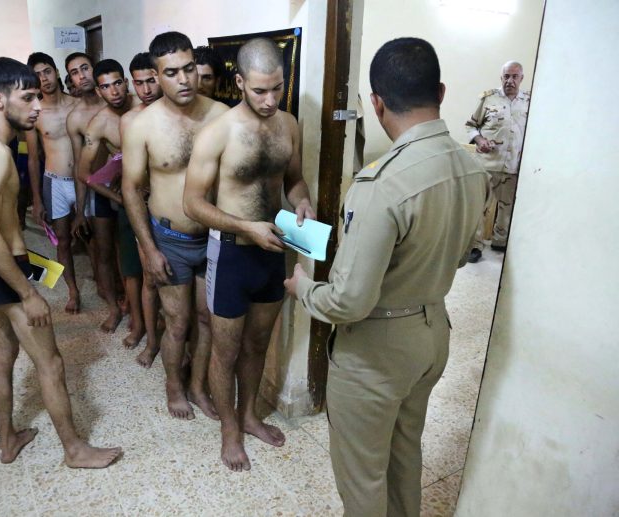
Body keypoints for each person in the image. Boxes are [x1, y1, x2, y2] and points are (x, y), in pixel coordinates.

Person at [284, 38, 488, 515]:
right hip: (433, 334)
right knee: (403, 455)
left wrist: (303, 288)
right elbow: (459, 257)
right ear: (440, 90)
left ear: (375, 103)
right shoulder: (471, 167)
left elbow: (349, 302)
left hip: (377, 349)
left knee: (362, 478)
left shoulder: (381, 183)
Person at [0, 56, 121, 468]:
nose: (36, 106)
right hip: (4, 267)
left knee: (4, 356)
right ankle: (75, 450)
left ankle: (8, 440)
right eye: (26, 97)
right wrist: (27, 292)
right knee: (51, 363)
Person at [184, 37, 314, 472]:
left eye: (277, 88)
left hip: (273, 251)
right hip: (233, 254)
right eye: (260, 90)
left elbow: (293, 179)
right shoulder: (218, 132)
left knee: (259, 343)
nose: (270, 99)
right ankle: (229, 431)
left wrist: (303, 202)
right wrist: (245, 226)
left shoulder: (289, 125)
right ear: (239, 82)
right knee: (226, 349)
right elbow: (193, 203)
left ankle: (250, 415)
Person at [122, 32, 228, 420]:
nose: (183, 80)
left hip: (214, 238)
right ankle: (173, 387)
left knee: (206, 321)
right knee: (178, 322)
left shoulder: (221, 116)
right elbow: (131, 189)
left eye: (188, 69)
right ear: (156, 75)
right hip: (170, 238)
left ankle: (198, 386)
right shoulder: (142, 125)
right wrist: (148, 249)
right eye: (172, 73)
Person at [74, 58, 140, 333]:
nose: (113, 91)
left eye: (117, 84)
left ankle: (142, 312)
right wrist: (116, 198)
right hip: (108, 188)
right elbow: (83, 172)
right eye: (106, 87)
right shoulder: (98, 124)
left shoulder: (142, 107)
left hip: (139, 189)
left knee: (137, 257)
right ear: (99, 92)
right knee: (103, 251)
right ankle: (115, 309)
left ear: (125, 83)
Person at [25, 52, 82, 314]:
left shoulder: (77, 104)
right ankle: (73, 290)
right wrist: (36, 199)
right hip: (55, 182)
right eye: (37, 75)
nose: (44, 78)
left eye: (47, 71)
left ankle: (108, 287)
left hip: (82, 181)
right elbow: (34, 159)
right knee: (62, 239)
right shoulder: (35, 114)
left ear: (57, 72)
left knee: (91, 236)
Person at [121, 52, 163, 366]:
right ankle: (150, 340)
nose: (146, 88)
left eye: (151, 80)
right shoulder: (131, 120)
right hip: (144, 205)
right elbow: (130, 175)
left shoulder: (178, 114)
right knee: (148, 275)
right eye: (139, 83)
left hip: (174, 208)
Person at [465, 61, 530, 261]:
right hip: (487, 163)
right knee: (479, 205)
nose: (510, 81)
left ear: (521, 78)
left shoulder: (529, 101)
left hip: (513, 165)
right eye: (506, 76)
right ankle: (474, 246)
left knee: (506, 206)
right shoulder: (489, 99)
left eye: (514, 76)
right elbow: (471, 125)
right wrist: (480, 140)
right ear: (501, 77)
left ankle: (500, 242)